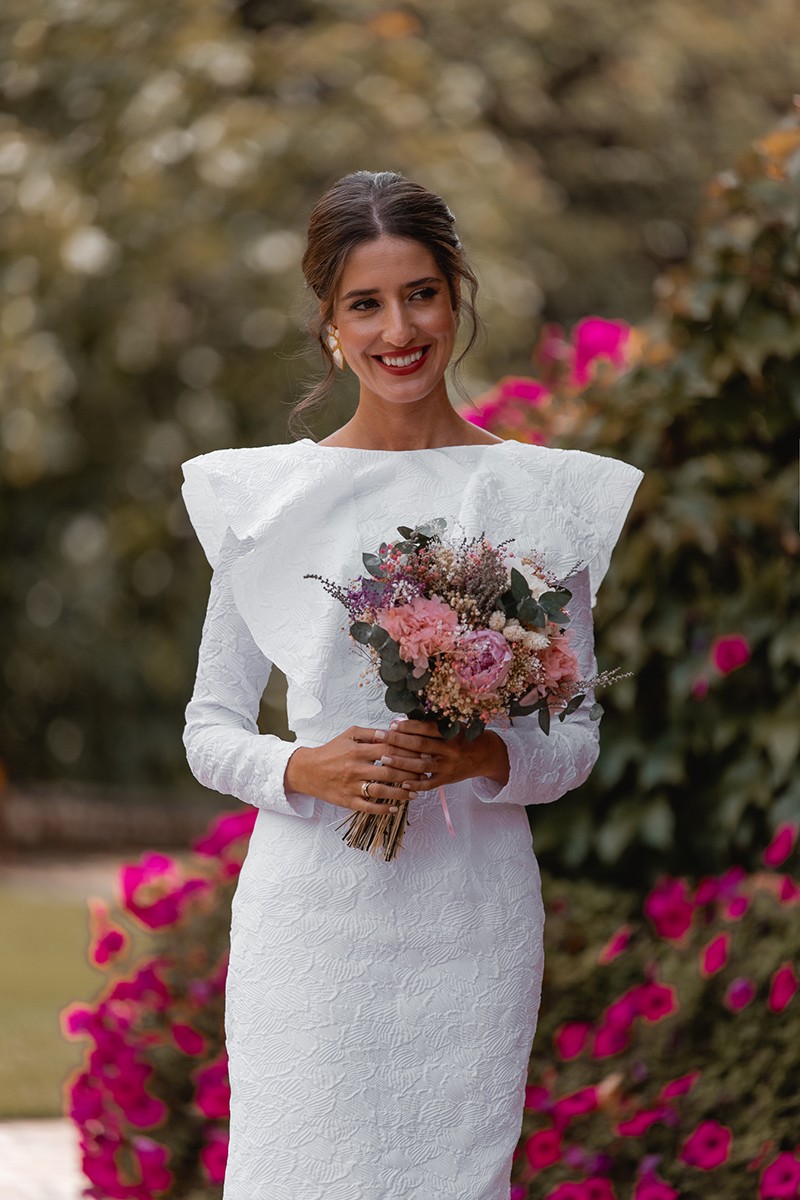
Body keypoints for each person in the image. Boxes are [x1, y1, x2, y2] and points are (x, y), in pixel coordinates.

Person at [181, 170, 643, 1200]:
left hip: (469, 919)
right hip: (308, 920)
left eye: (420, 293)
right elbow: (209, 727)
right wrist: (304, 766)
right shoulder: (268, 500)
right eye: (365, 303)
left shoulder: (537, 496)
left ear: (456, 295)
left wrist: (482, 753)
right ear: (329, 325)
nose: (399, 327)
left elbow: (571, 740)